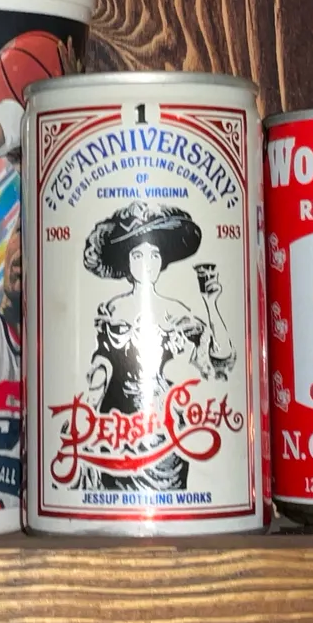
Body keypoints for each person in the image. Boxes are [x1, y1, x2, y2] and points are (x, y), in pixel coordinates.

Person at [76, 201, 235, 491]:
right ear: (127, 262)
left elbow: (219, 359)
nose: (147, 262)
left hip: (165, 424)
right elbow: (102, 362)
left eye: (154, 254)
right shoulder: (112, 310)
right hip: (115, 426)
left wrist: (211, 304)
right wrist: (88, 403)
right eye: (138, 255)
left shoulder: (177, 312)